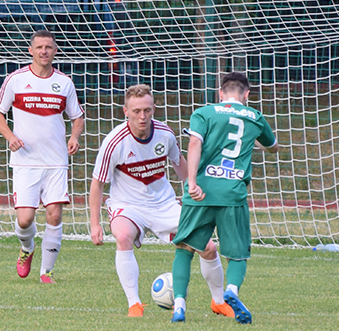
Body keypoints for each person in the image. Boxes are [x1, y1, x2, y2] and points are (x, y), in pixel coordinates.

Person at [89, 84, 235, 318]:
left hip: (164, 204)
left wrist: (194, 186)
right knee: (123, 236)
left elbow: (181, 166)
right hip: (128, 206)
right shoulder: (114, 142)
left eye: (147, 110)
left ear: (154, 108)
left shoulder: (165, 134)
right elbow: (97, 184)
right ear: (125, 111)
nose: (142, 116)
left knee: (208, 247)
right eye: (136, 111)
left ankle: (218, 302)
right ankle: (134, 304)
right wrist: (95, 224)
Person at [171, 72, 279, 324]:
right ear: (247, 94)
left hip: (202, 193)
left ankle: (179, 306)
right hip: (233, 193)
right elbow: (273, 147)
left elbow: (195, 144)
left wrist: (193, 181)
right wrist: (254, 140)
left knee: (185, 248)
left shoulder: (204, 112)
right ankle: (230, 291)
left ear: (220, 93)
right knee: (237, 254)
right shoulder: (255, 117)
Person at [0, 30, 84, 283]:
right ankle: (27, 248)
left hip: (56, 162)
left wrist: (74, 137)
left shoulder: (64, 83)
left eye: (49, 47)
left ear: (55, 51)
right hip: (25, 161)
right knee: (25, 220)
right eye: (39, 47)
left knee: (54, 214)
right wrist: (10, 137)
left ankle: (46, 272)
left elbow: (77, 117)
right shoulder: (16, 80)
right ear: (30, 51)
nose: (44, 51)